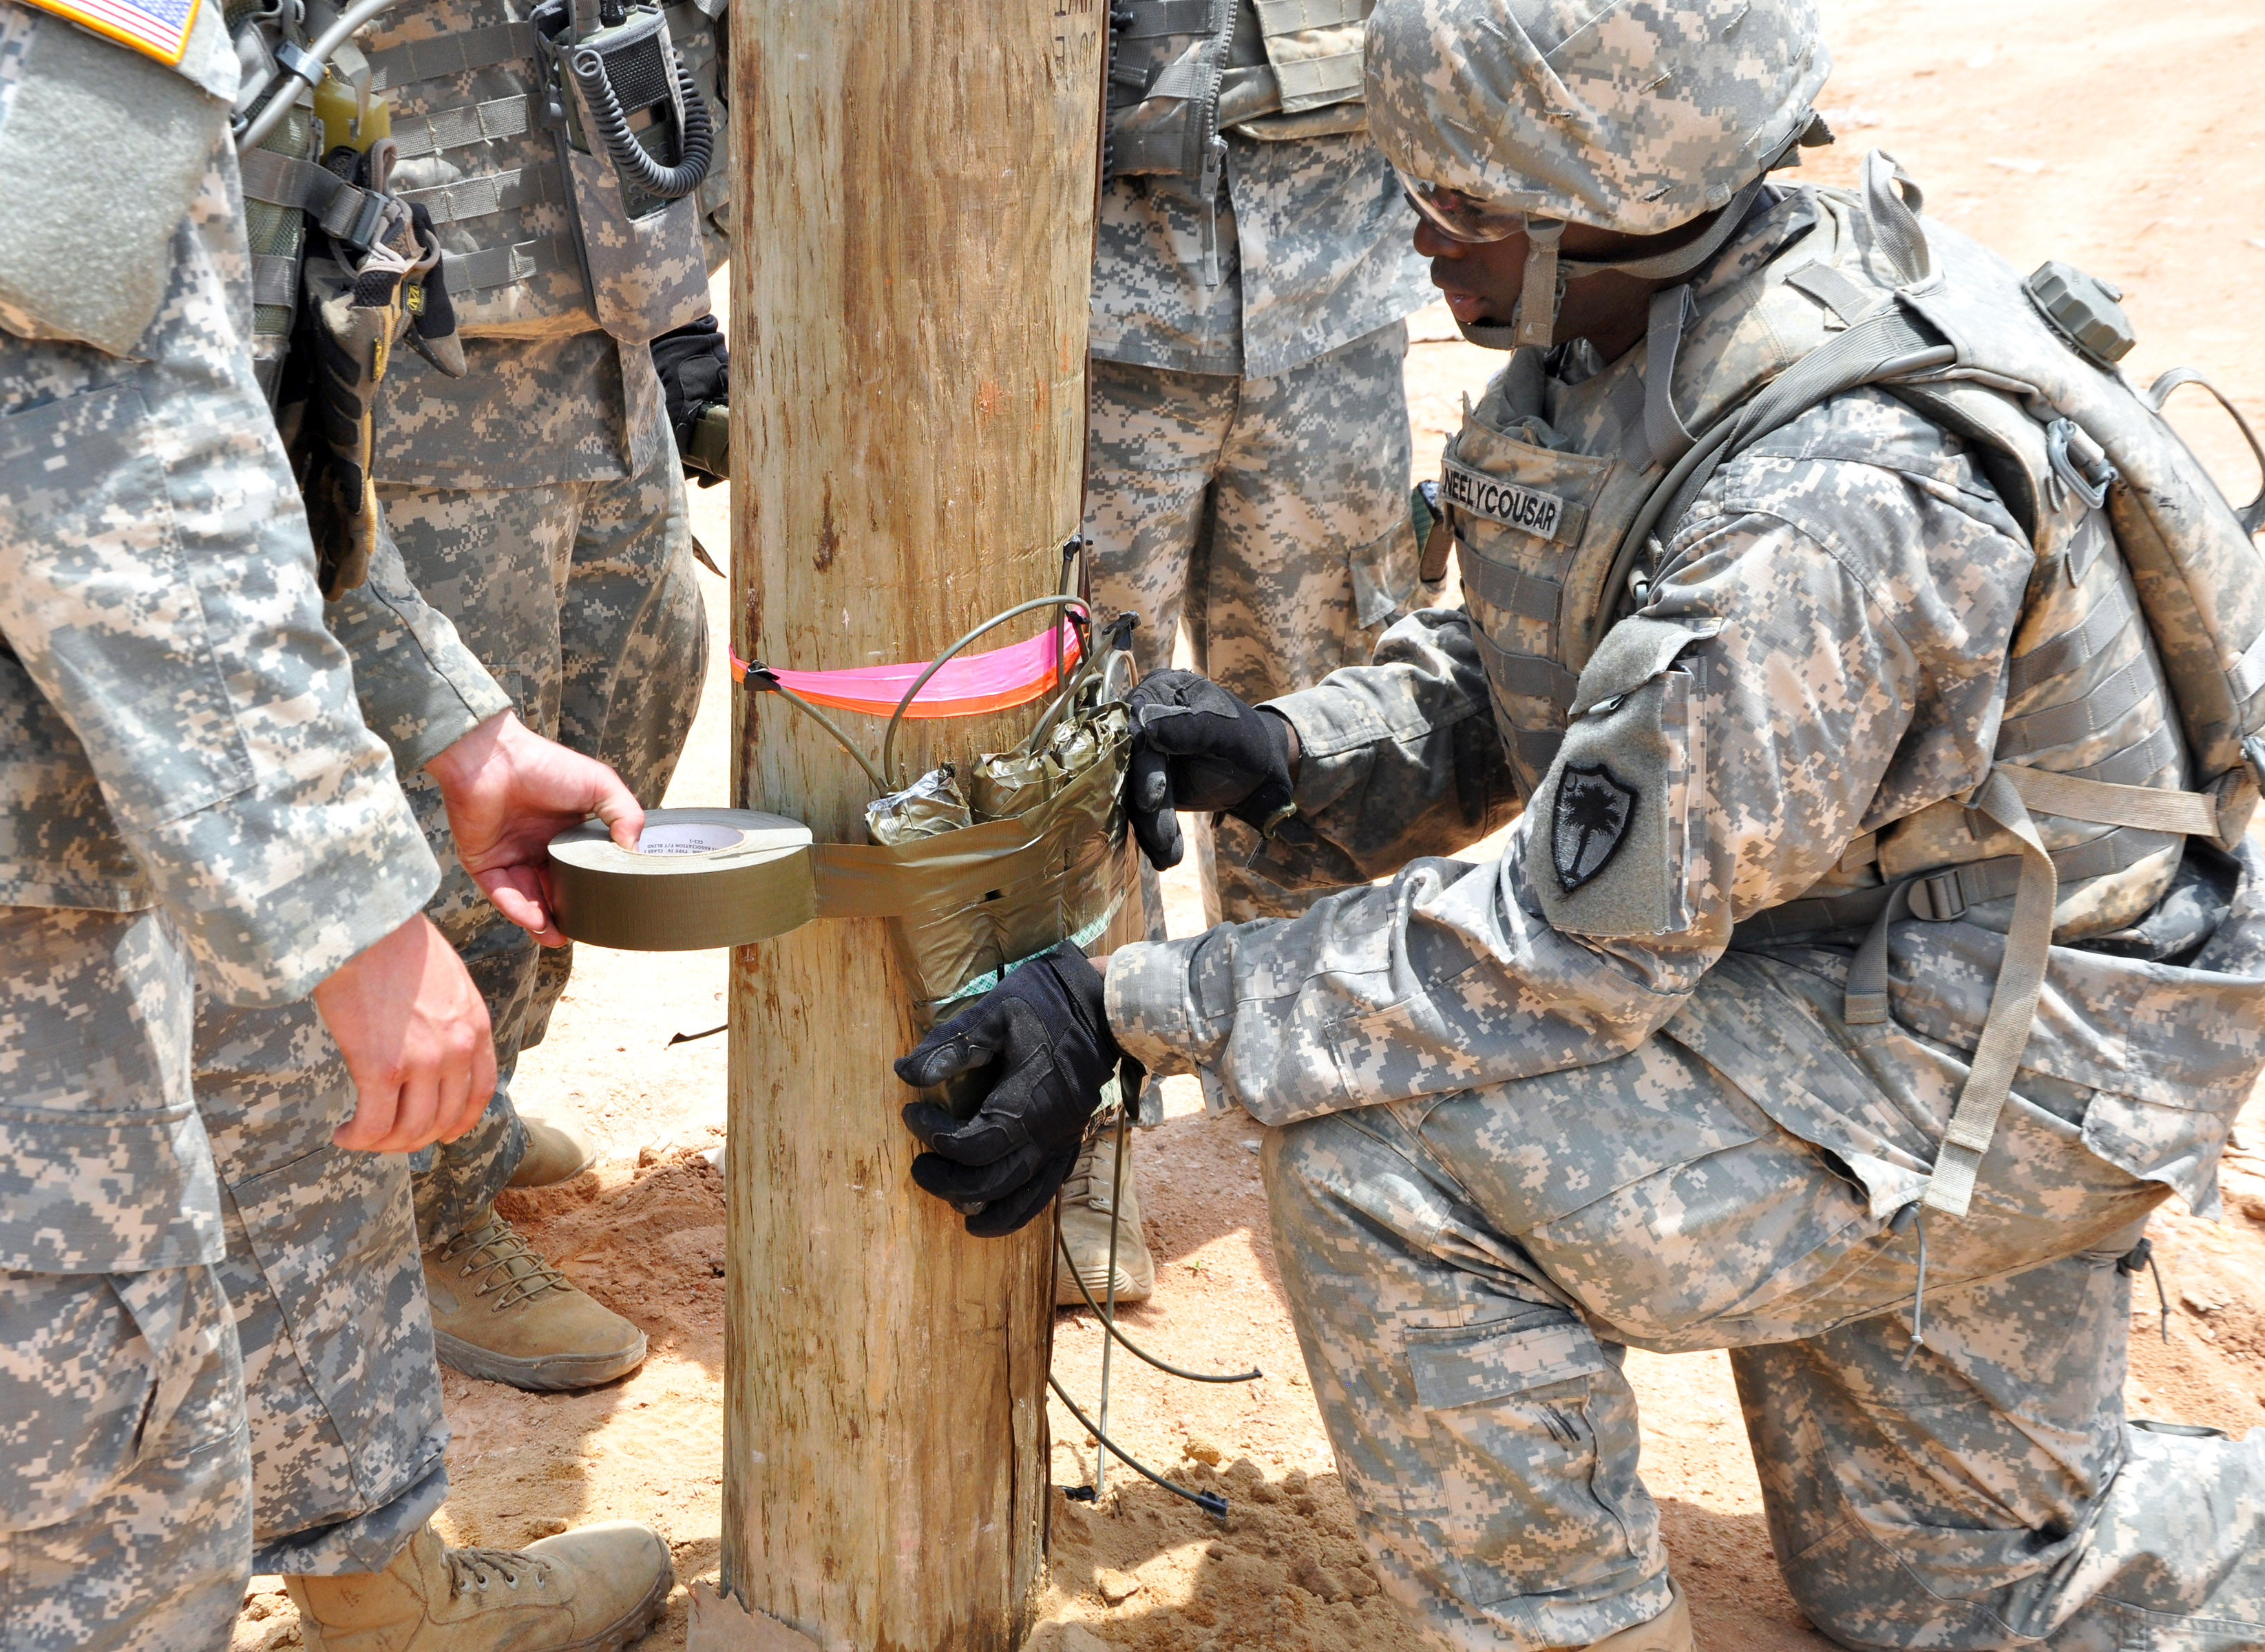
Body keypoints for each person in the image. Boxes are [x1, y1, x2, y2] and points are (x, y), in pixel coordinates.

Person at [895, 2, 2265, 1648]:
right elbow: (1539, 643)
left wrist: (1128, 1007)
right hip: (1888, 976)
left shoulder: (1823, 497)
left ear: (1605, 198)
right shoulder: (1651, 318)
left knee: (1385, 1162)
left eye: (1464, 211)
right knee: (1951, 1600)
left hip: (2025, 1064)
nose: (1421, 242)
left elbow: (1566, 951)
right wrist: (1288, 746)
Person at [0, 4, 666, 1646]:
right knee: (74, 1538)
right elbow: (99, 438)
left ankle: (389, 1595)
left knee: (138, 1432)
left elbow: (241, 392)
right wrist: (349, 902)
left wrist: (451, 725)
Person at [213, 0, 725, 1392]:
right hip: (413, 352)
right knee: (444, 821)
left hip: (606, 313)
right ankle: (417, 1218)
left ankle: (477, 1113)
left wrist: (690, 265)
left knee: (614, 751)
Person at [1058, 0, 1436, 1305]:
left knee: (1323, 705)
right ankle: (1087, 1127)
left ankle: (1327, 1081)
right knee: (1084, 724)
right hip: (1093, 325)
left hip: (1334, 305)